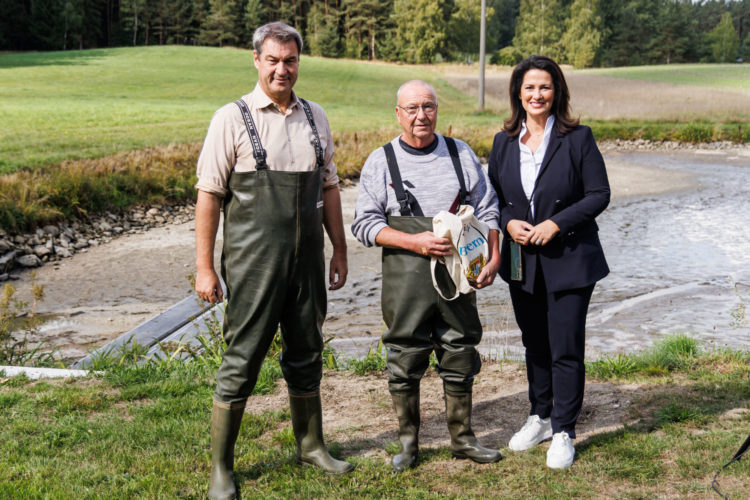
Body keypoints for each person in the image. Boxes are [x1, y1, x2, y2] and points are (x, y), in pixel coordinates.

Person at [194, 21, 353, 499]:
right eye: (273, 60)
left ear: (299, 62)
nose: (282, 69)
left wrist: (339, 247)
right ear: (257, 61)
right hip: (254, 262)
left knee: (307, 351)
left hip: (307, 261)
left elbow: (328, 187)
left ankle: (311, 445)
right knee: (242, 358)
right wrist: (204, 266)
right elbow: (209, 195)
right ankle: (221, 468)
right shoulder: (231, 117)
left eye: (290, 60)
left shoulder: (316, 116)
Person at [352, 80, 502, 472]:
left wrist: (495, 255)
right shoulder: (380, 161)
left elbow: (487, 208)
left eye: (429, 107)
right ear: (398, 114)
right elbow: (364, 225)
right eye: (412, 108)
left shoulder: (460, 153)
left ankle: (463, 439)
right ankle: (408, 444)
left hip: (459, 274)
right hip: (405, 277)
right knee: (404, 357)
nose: (422, 115)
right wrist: (413, 242)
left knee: (460, 351)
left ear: (437, 110)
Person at [487, 55, 610, 469]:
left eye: (544, 87)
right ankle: (539, 417)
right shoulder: (504, 141)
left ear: (556, 91)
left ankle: (564, 430)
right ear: (517, 94)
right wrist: (508, 222)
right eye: (529, 88)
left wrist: (556, 223)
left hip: (571, 258)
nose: (536, 95)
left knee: (565, 348)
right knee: (534, 344)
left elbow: (598, 195)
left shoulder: (579, 137)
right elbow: (494, 199)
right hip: (523, 260)